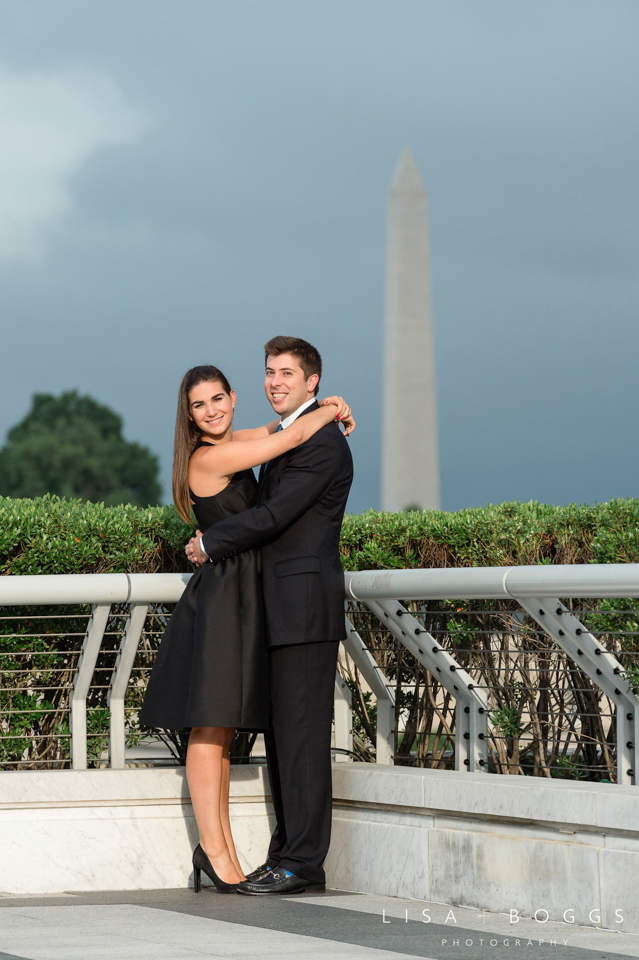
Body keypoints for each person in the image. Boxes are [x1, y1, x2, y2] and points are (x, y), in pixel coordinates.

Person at [140, 363, 353, 895]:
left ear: (233, 399)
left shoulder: (237, 439)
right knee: (210, 726)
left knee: (223, 727)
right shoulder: (212, 457)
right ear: (187, 416)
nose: (211, 410)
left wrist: (325, 405)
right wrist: (329, 407)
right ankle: (215, 855)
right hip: (223, 601)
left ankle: (227, 856)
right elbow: (294, 433)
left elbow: (282, 429)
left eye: (217, 399)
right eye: (199, 405)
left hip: (247, 598)